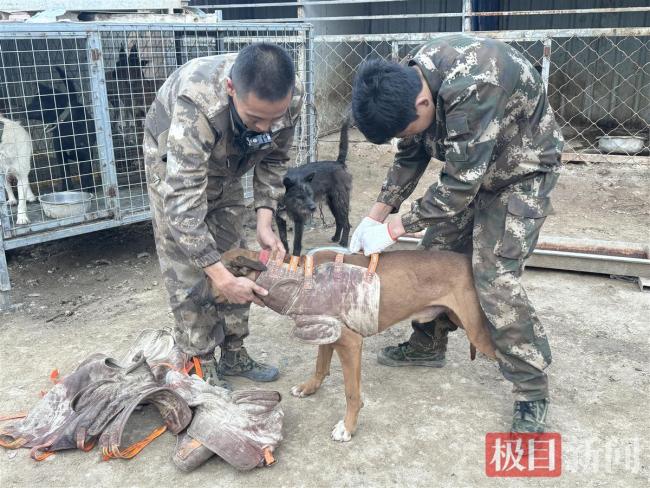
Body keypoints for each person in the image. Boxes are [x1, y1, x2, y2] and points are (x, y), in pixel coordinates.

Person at [349, 34, 563, 432]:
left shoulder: (476, 79)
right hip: (473, 167)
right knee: (434, 256)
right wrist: (376, 214)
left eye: (405, 127)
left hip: (521, 172)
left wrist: (395, 228)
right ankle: (427, 343)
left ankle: (531, 389)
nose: (405, 136)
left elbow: (460, 185)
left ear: (423, 103)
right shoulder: (412, 77)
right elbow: (412, 151)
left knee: (493, 275)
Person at [143, 43, 303, 386]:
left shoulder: (290, 97)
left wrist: (264, 217)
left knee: (236, 257)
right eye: (256, 118)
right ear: (232, 89)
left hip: (227, 163)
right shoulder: (197, 104)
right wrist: (218, 276)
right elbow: (183, 206)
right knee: (188, 268)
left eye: (274, 119)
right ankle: (200, 360)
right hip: (173, 162)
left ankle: (234, 352)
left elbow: (275, 158)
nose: (265, 127)